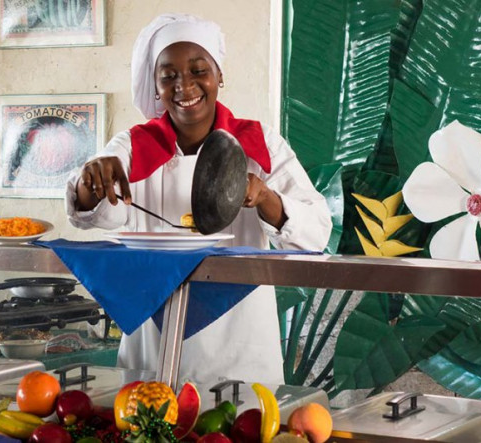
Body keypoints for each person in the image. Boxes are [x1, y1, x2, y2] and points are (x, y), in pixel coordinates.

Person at [65, 13, 332, 385]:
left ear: (219, 75)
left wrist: (265, 197)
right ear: (155, 85)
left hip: (239, 344)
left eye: (198, 71)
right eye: (168, 75)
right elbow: (100, 214)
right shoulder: (133, 145)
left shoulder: (261, 143)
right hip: (154, 345)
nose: (184, 86)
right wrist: (91, 180)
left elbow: (316, 233)